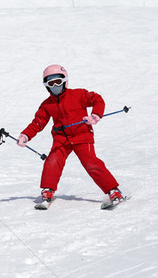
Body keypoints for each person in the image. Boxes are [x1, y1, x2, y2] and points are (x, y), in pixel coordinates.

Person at [17, 64, 124, 208]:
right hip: (61, 139)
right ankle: (48, 191)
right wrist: (25, 136)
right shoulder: (47, 105)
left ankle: (113, 191)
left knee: (91, 163)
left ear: (65, 81)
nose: (55, 86)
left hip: (82, 135)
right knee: (52, 161)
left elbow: (97, 99)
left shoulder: (79, 94)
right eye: (51, 83)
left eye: (58, 81)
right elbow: (38, 122)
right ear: (46, 86)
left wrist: (96, 115)